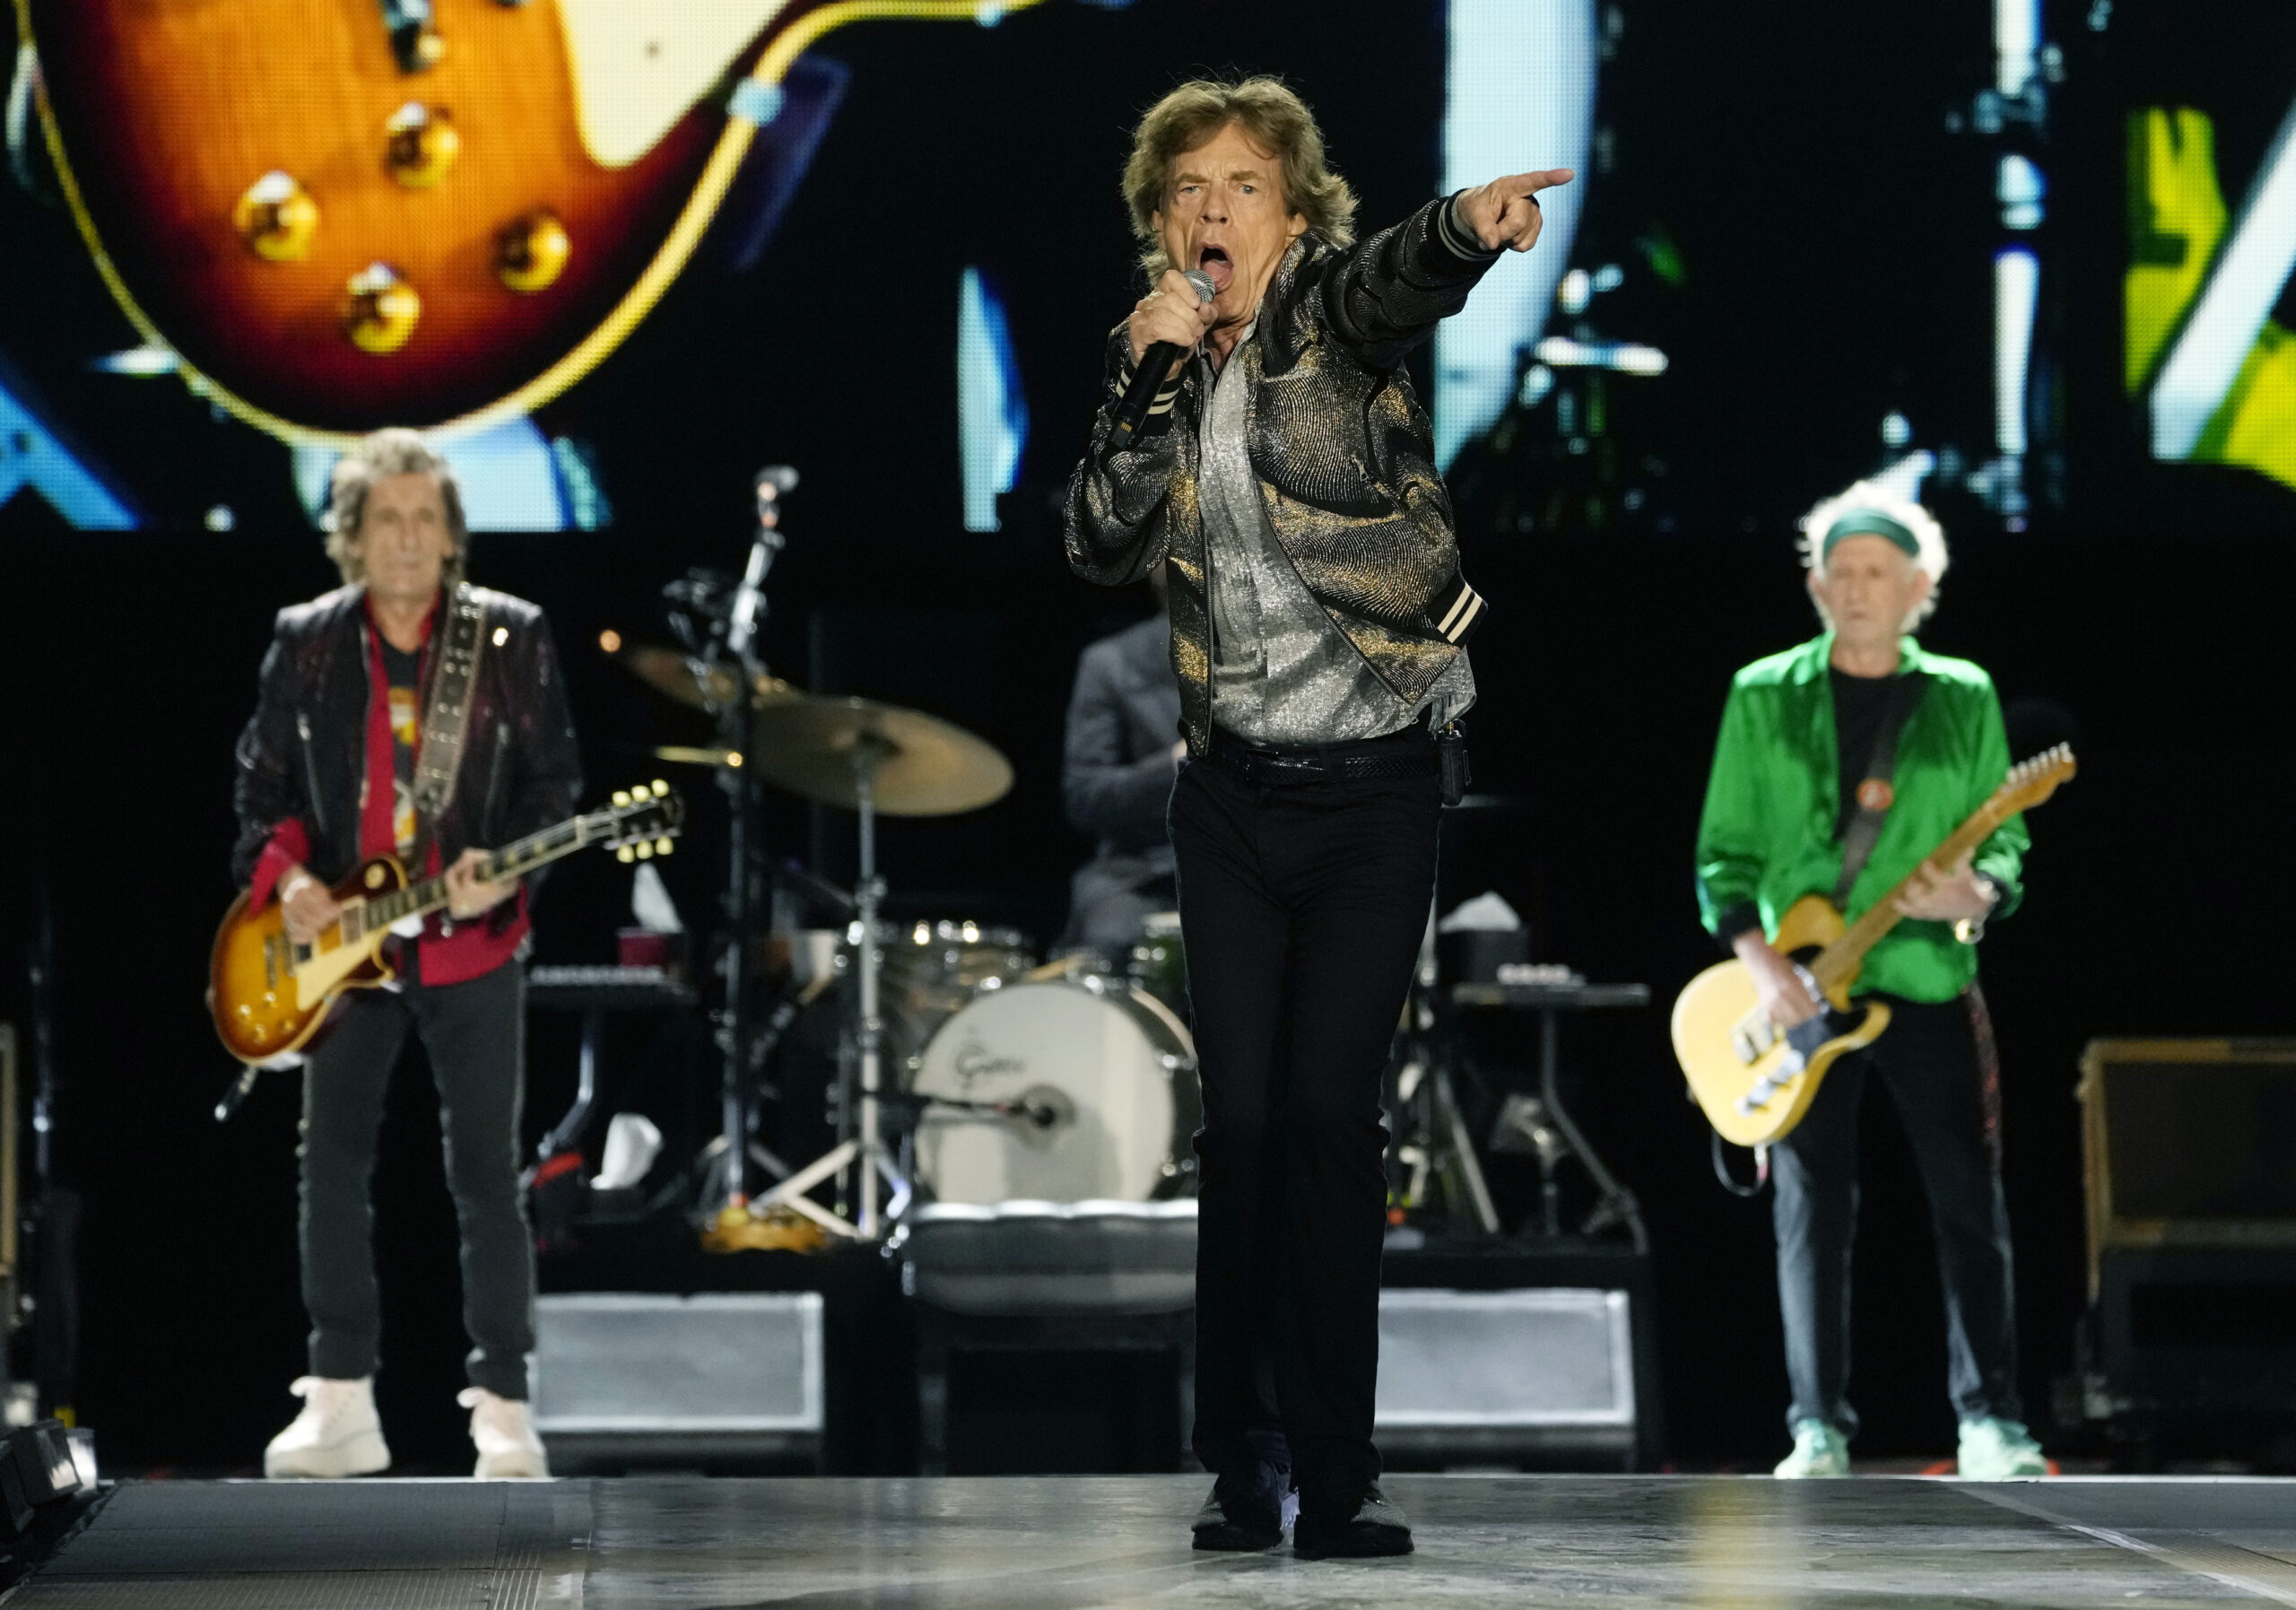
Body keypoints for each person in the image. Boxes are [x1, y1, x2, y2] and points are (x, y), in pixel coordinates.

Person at [1064, 74, 1570, 1557]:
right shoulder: (1152, 351)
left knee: (1330, 1126)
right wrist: (1141, 381)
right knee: (1247, 1129)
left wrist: (1470, 228)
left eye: (1240, 186)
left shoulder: (1333, 320)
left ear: (1293, 211)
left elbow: (1398, 271)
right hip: (1226, 798)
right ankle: (1244, 1460)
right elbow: (1097, 541)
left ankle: (1338, 1470)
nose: (1212, 211)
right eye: (1188, 191)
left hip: (1373, 794)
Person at [231, 429, 582, 1479]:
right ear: (352, 535)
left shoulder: (509, 638)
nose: (407, 539)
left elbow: (555, 789)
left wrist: (504, 869)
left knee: (484, 1174)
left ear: (452, 533)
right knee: (331, 1166)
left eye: (426, 518)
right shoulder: (308, 640)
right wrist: (289, 883)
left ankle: (505, 1411)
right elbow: (260, 799)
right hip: (345, 952)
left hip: (472, 941)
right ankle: (340, 1400)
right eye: (387, 518)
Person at [1692, 481, 2048, 1482]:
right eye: (1838, 572)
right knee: (1810, 1210)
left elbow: (2005, 836)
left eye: (1875, 574)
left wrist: (1972, 892)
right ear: (1814, 583)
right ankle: (1816, 1425)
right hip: (1796, 992)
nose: (1854, 589)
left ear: (1918, 587)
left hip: (1926, 977)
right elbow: (1722, 852)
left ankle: (1990, 1419)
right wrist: (1760, 965)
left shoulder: (1963, 695)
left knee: (1967, 1203)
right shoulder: (1762, 692)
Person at [1060, 567, 1183, 957]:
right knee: (1109, 938)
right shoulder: (1112, 664)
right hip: (1145, 875)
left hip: (1259, 870)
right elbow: (1086, 797)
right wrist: (1177, 766)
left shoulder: (1281, 665)